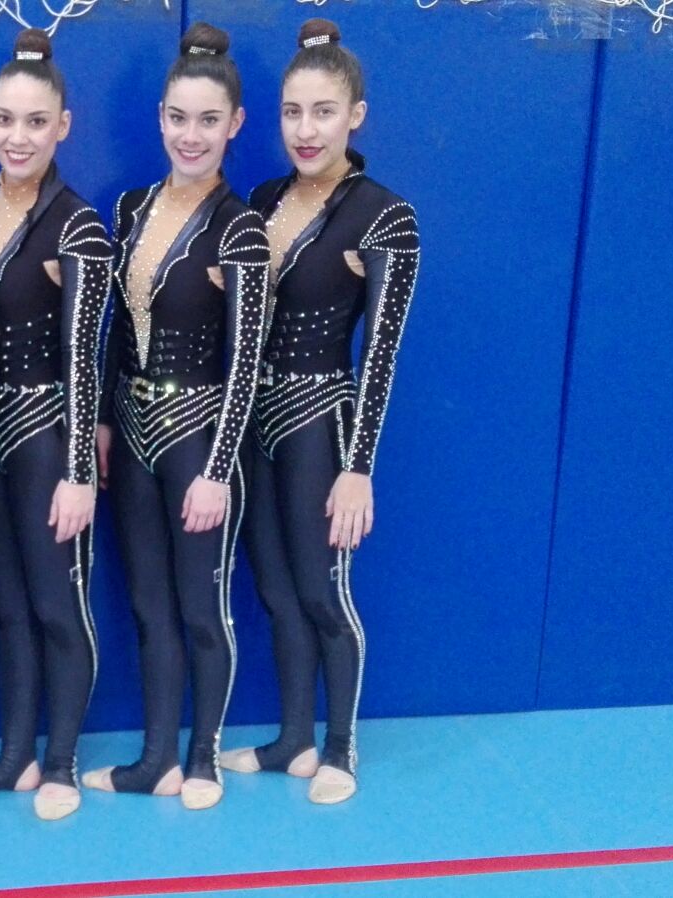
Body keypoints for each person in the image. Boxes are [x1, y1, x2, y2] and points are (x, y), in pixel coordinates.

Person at [220, 18, 422, 806]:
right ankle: (294, 739)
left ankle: (340, 748)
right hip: (255, 422)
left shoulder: (385, 216)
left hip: (320, 421)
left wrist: (358, 467)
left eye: (324, 112)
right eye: (293, 112)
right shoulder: (264, 200)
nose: (306, 130)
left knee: (322, 591)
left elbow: (382, 353)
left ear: (355, 115)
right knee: (274, 588)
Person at [83, 22, 271, 812]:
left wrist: (219, 470)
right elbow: (110, 332)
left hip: (200, 439)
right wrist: (101, 421)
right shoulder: (130, 209)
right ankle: (155, 758)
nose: (190, 136)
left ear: (235, 124)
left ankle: (202, 760)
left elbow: (247, 360)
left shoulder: (243, 229)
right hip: (132, 433)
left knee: (201, 607)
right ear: (159, 117)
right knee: (147, 606)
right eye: (178, 118)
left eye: (208, 121)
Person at [0, 29, 114, 822]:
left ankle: (62, 762)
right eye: (5, 120)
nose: (19, 137)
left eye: (36, 122)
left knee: (56, 606)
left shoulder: (79, 227)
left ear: (63, 127)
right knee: (5, 607)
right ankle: (15, 756)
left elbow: (85, 357)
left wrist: (78, 471)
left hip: (46, 435)